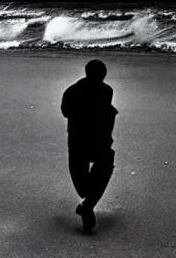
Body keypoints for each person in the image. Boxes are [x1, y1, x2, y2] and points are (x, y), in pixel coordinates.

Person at [61, 59, 118, 233]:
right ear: (103, 74)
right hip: (95, 141)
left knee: (85, 185)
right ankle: (87, 205)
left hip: (79, 142)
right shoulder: (107, 91)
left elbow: (65, 112)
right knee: (88, 185)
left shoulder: (71, 91)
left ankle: (87, 206)